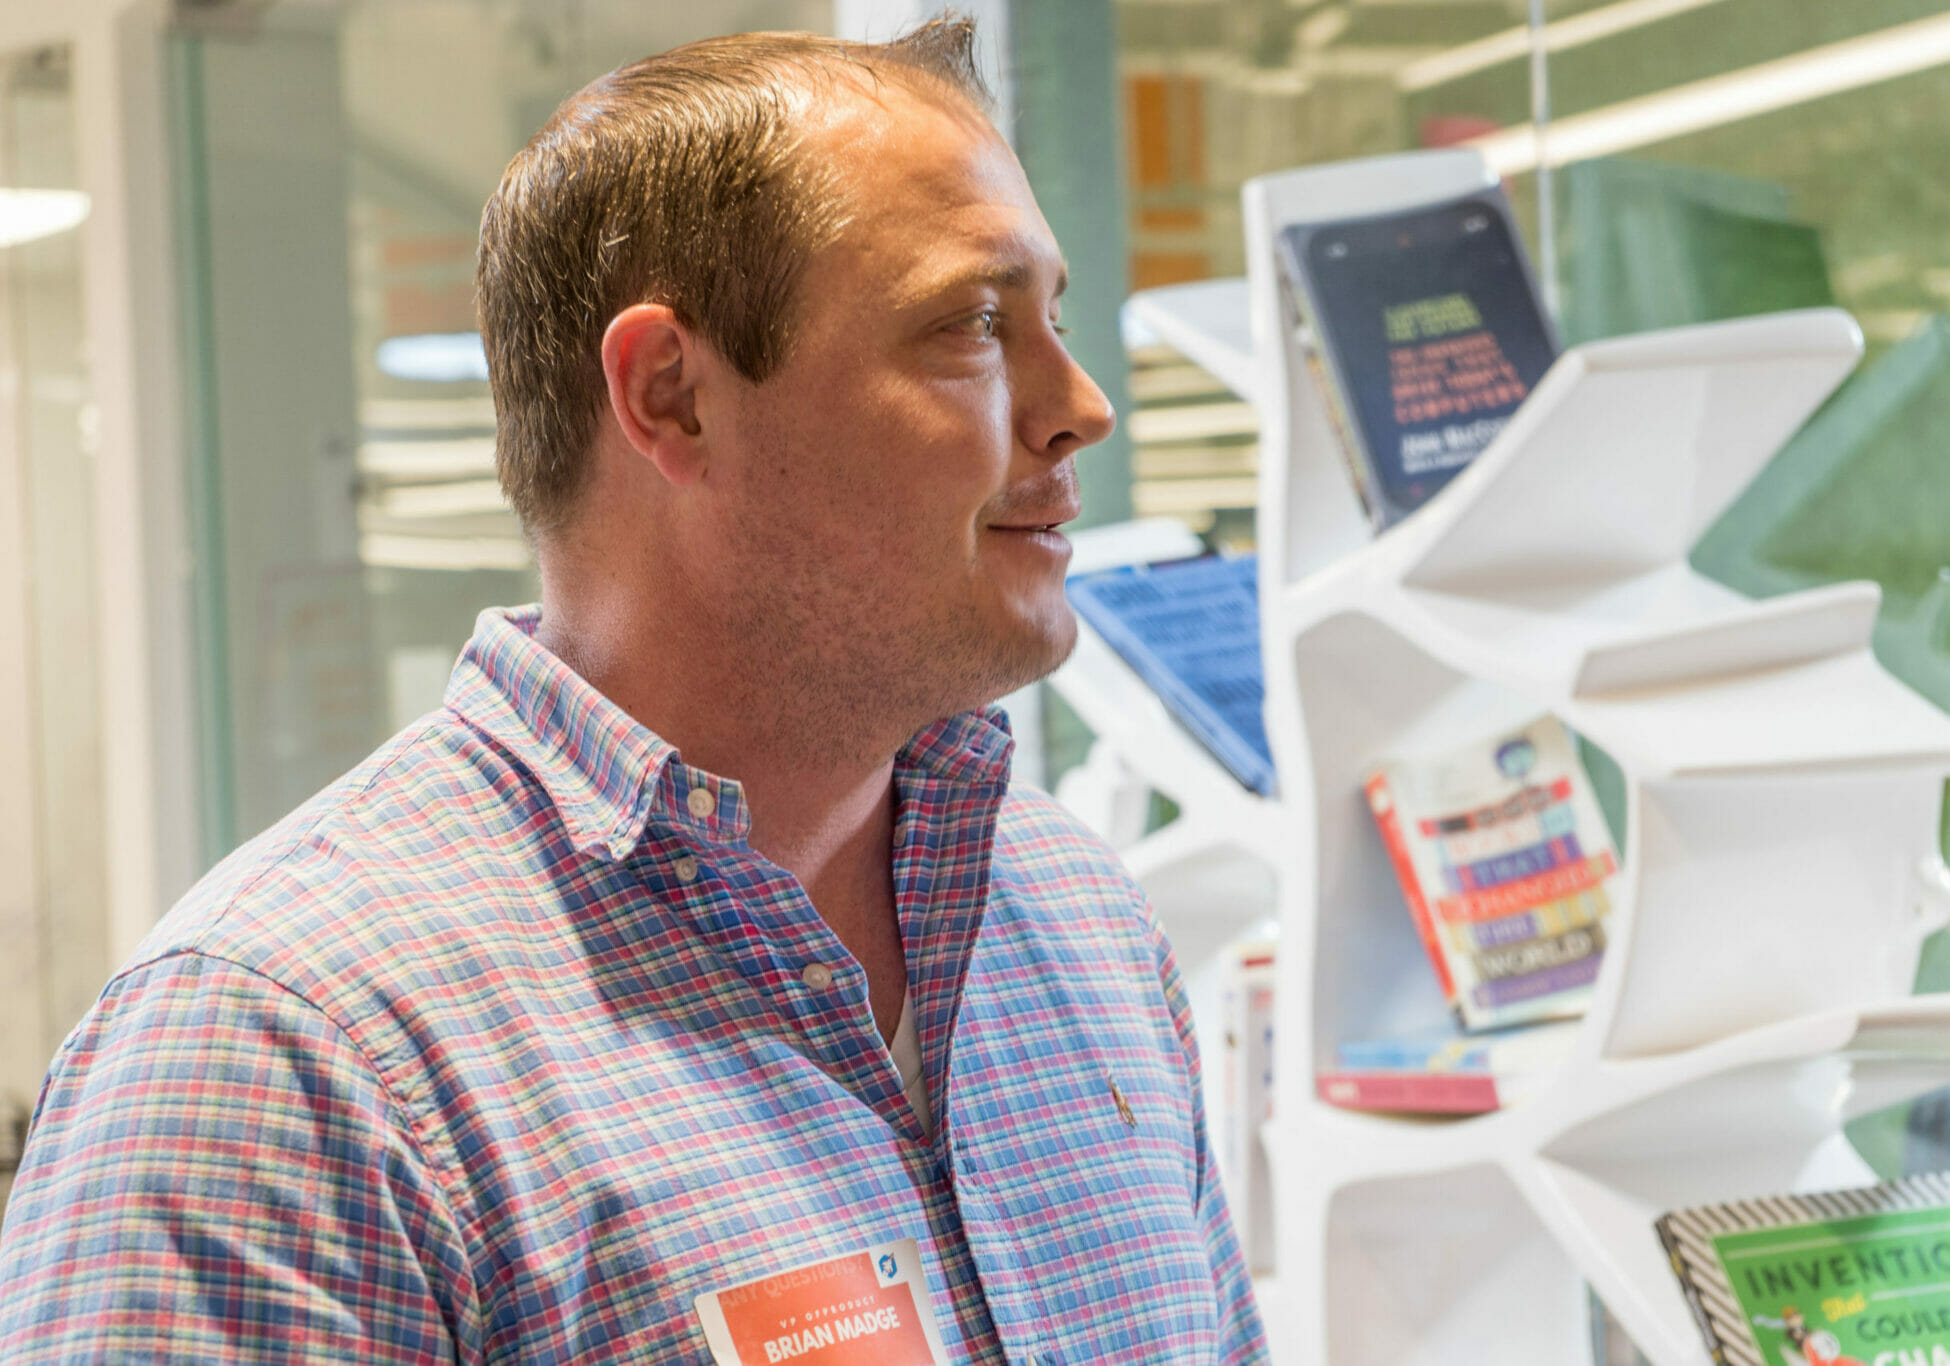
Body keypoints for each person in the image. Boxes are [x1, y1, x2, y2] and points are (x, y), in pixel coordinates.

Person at [0, 18, 1270, 1365]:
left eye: (1055, 320)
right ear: (672, 395)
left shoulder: (1078, 923)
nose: (1080, 404)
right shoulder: (284, 1065)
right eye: (970, 324)